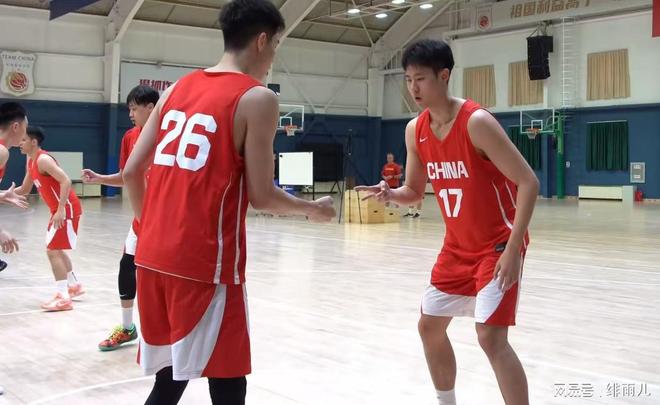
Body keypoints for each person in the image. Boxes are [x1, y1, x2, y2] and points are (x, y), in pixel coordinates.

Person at [122, 1, 336, 404]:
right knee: (228, 382)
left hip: (150, 259)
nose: (273, 57)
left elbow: (132, 171)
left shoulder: (177, 89)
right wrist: (312, 209)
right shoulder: (257, 98)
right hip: (205, 264)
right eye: (276, 46)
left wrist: (149, 229)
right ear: (262, 41)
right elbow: (261, 196)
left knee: (169, 381)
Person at [356, 38, 539, 405]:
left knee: (490, 337)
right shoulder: (415, 130)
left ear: (444, 76)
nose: (413, 88)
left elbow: (528, 182)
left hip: (497, 245)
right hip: (456, 248)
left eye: (420, 79)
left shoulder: (476, 123)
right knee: (429, 327)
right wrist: (391, 194)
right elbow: (414, 191)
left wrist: (513, 249)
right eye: (408, 79)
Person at [81, 85, 159, 351]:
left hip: (166, 221)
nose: (130, 114)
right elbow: (127, 175)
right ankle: (127, 328)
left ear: (151, 108)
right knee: (127, 267)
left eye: (134, 108)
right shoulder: (130, 137)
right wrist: (100, 178)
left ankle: (166, 333)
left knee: (160, 278)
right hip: (141, 220)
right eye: (129, 109)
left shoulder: (170, 135)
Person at [16, 126, 84, 311]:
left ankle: (63, 298)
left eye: (23, 140)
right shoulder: (31, 161)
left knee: (52, 251)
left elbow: (66, 180)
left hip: (66, 209)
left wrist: (61, 209)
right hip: (57, 210)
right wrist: (5, 194)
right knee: (57, 249)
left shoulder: (43, 160)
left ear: (34, 142)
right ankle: (74, 286)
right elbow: (24, 189)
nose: (20, 143)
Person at [0, 102, 31, 270]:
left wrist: (1, 195)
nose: (25, 134)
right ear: (16, 127)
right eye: (25, 128)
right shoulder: (1, 151)